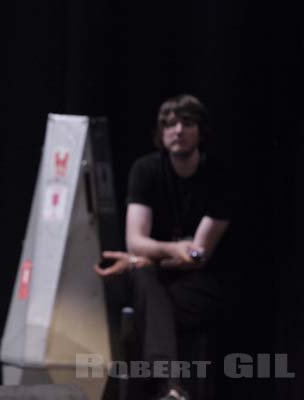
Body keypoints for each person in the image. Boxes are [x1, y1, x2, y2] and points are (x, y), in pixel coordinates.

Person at [95, 94, 231, 400]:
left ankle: (164, 386)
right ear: (161, 132)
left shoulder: (218, 177)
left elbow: (197, 256)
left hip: (200, 284)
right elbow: (136, 241)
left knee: (152, 304)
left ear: (201, 131)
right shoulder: (145, 170)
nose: (178, 130)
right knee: (145, 281)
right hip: (153, 277)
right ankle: (170, 386)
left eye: (187, 123)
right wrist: (169, 251)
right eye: (169, 124)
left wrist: (145, 257)